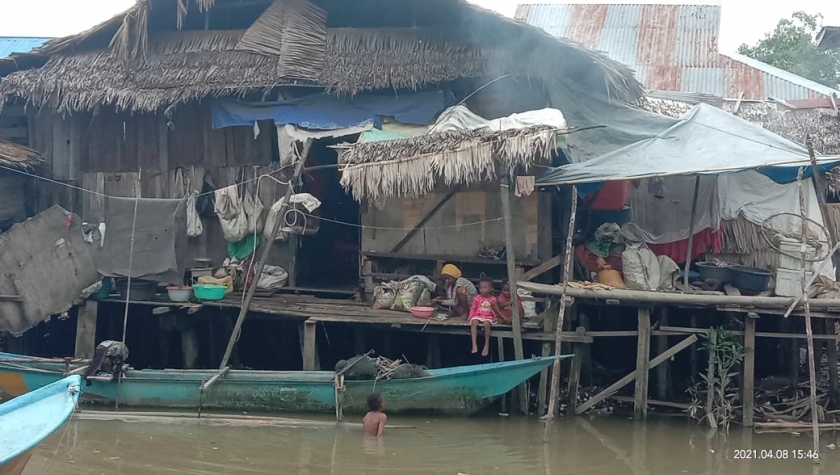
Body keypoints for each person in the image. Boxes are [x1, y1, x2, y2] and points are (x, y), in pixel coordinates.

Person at [469, 277, 503, 356]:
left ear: (490, 289)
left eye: (485, 288)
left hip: (488, 316)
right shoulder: (477, 298)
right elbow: (473, 308)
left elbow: (494, 309)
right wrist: (470, 316)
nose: (482, 290)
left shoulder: (493, 299)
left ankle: (486, 344)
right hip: (478, 315)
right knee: (473, 323)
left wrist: (495, 317)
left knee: (486, 324)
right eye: (480, 288)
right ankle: (474, 344)